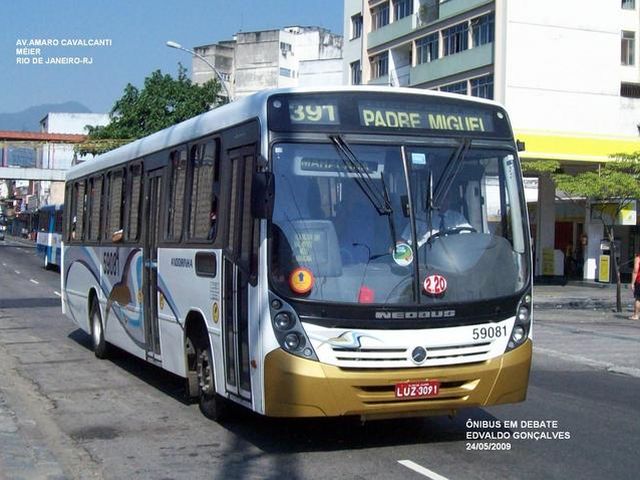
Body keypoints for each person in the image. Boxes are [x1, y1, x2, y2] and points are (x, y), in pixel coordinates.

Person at [629, 252, 640, 320]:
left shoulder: (638, 258)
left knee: (638, 299)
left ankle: (636, 315)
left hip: (639, 281)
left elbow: (635, 270)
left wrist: (632, 282)